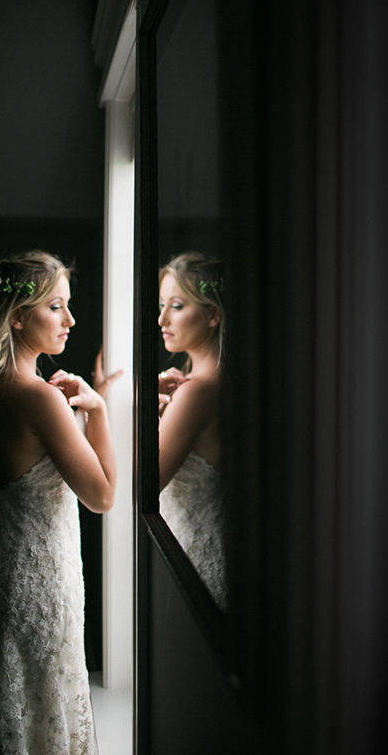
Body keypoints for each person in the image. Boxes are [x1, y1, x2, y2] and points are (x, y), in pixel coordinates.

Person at [0, 251, 118, 755]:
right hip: (36, 583)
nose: (70, 320)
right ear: (18, 317)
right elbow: (102, 496)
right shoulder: (40, 398)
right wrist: (100, 409)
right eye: (56, 307)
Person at [156, 251, 227, 609]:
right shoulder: (222, 382)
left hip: (194, 557)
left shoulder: (197, 391)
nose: (161, 318)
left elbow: (144, 482)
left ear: (213, 314)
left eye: (177, 305)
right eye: (161, 304)